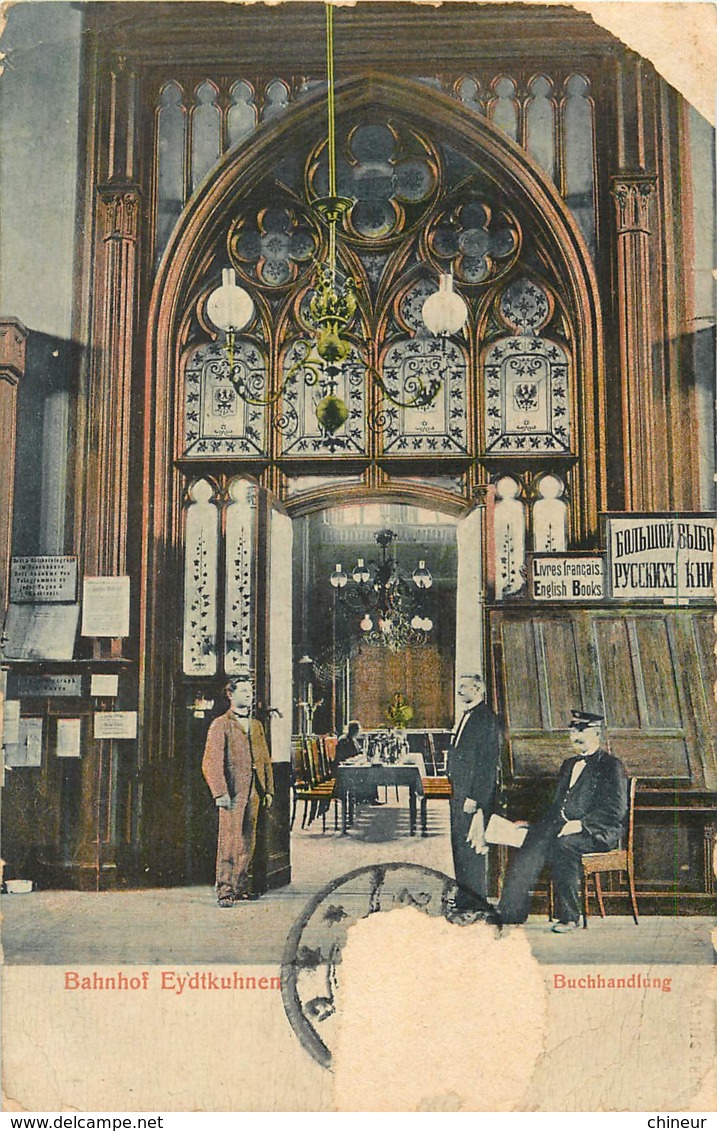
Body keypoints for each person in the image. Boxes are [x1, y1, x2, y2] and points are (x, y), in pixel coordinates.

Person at [498, 710, 628, 932]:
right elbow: (556, 805)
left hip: (596, 833)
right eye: (573, 730)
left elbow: (616, 810)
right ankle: (511, 911)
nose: (575, 735)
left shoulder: (611, 765)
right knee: (530, 840)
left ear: (597, 733)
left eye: (581, 730)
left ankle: (569, 917)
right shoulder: (568, 764)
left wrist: (580, 824)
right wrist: (532, 825)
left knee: (563, 845)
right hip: (562, 826)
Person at [202, 674, 274, 907]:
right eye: (243, 691)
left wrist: (268, 790)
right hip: (232, 792)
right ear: (230, 695)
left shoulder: (256, 725)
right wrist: (220, 792)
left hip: (255, 791)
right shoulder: (221, 724)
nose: (249, 695)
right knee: (229, 840)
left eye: (250, 692)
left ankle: (241, 885)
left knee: (248, 840)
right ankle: (225, 890)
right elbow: (211, 762)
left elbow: (264, 760)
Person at [447, 674, 502, 910]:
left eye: (463, 687)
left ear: (478, 689)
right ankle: (464, 896)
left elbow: (487, 763)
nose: (459, 691)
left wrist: (475, 798)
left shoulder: (486, 718)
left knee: (471, 848)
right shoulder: (468, 715)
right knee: (459, 845)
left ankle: (475, 899)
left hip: (471, 795)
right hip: (459, 791)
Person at [334, 719, 380, 804]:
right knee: (368, 774)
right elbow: (346, 755)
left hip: (352, 765)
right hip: (345, 769)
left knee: (370, 772)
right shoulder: (345, 740)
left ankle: (369, 798)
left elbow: (357, 752)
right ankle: (367, 798)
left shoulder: (352, 739)